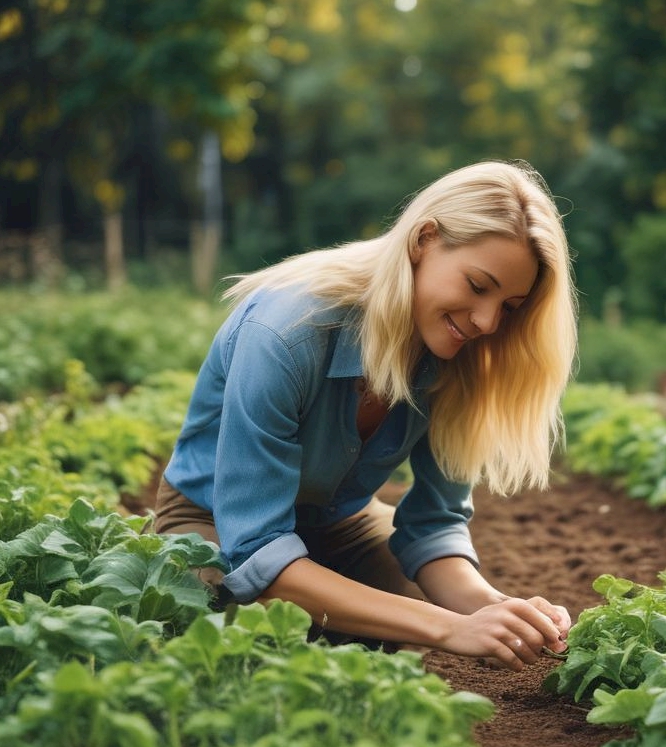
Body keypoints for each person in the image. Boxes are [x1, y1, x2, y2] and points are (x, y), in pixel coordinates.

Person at [154, 160, 578, 671]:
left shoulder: (454, 355)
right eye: (477, 285)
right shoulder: (286, 334)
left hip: (336, 519)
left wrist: (497, 611)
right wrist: (450, 626)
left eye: (509, 306)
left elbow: (432, 524)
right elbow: (255, 550)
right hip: (216, 520)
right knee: (232, 619)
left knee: (389, 600)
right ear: (423, 241)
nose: (488, 321)